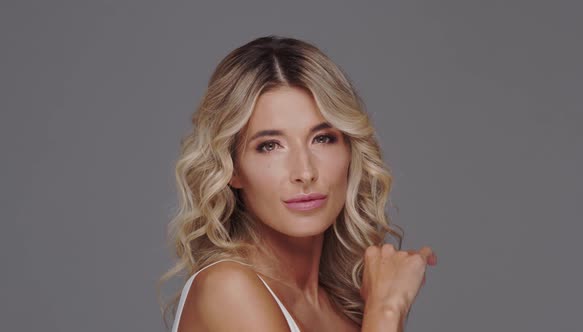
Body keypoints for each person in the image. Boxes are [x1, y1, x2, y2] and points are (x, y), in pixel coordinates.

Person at [158, 35, 437, 332]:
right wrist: (386, 310)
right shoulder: (227, 288)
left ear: (350, 151)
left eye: (323, 138)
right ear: (232, 169)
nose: (304, 172)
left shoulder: (347, 306)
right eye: (269, 145)